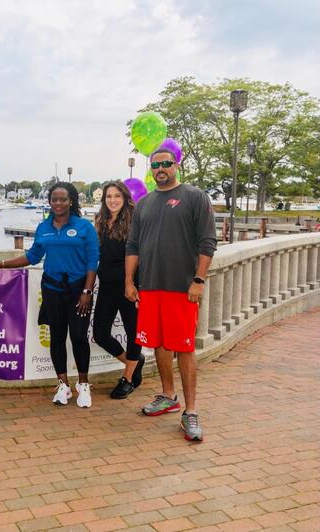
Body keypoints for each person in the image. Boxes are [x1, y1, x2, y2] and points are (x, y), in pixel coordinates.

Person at [125, 148, 217, 442]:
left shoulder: (194, 196)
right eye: (155, 165)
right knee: (160, 344)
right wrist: (129, 281)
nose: (160, 169)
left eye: (166, 164)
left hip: (181, 288)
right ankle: (168, 395)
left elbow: (208, 242)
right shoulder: (145, 203)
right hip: (150, 287)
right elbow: (133, 246)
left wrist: (198, 280)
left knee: (184, 348)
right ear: (151, 169)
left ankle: (190, 411)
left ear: (176, 166)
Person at [0, 182, 99, 408]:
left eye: (62, 199)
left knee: (78, 336)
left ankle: (83, 385)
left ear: (71, 201)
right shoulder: (44, 227)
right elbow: (33, 256)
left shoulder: (84, 228)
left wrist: (87, 291)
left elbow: (92, 262)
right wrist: (1, 264)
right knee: (56, 336)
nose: (58, 203)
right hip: (52, 289)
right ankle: (63, 385)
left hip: (78, 290)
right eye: (54, 199)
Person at [93, 181, 144, 399]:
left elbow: (141, 253)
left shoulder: (135, 220)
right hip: (106, 284)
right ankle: (134, 361)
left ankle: (128, 378)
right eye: (108, 196)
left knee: (134, 334)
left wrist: (130, 283)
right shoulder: (101, 221)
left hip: (129, 285)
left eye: (117, 196)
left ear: (125, 198)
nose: (112, 200)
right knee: (100, 334)